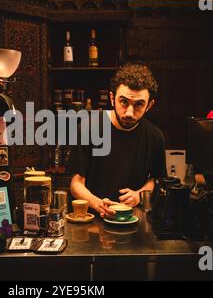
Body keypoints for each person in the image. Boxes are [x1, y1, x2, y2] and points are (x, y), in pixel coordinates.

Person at [69, 63, 167, 218]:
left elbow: (155, 179)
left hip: (132, 220)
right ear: (112, 98)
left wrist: (139, 195)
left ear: (149, 105)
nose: (129, 112)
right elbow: (76, 184)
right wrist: (99, 204)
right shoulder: (87, 128)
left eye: (139, 104)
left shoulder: (155, 137)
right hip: (91, 219)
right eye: (124, 102)